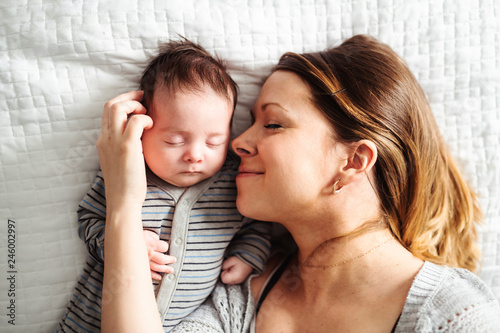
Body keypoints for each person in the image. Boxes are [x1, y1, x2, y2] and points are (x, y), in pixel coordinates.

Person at [97, 35, 500, 333]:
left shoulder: (453, 314)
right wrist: (123, 206)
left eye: (272, 123)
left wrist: (123, 207)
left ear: (354, 160)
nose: (238, 141)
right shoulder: (239, 299)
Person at [57, 39, 271, 333]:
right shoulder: (127, 171)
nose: (195, 155)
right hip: (88, 323)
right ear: (142, 127)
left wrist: (248, 255)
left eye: (213, 141)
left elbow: (256, 225)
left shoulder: (231, 183)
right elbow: (88, 219)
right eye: (175, 140)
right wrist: (122, 243)